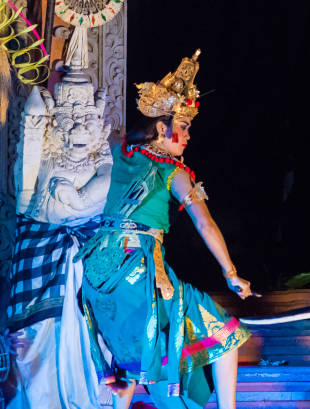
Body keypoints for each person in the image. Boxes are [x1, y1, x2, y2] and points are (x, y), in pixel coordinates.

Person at [75, 50, 254, 409]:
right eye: (183, 126)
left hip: (95, 276)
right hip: (135, 269)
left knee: (135, 355)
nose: (187, 136)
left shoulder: (121, 152)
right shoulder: (174, 171)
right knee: (224, 330)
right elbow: (204, 222)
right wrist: (232, 273)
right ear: (162, 127)